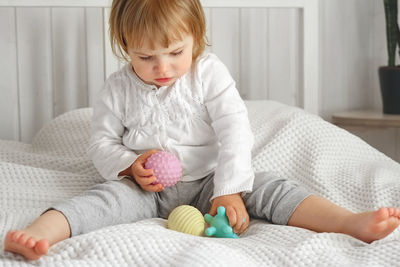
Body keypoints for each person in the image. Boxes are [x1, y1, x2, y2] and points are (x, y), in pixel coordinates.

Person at [4, 0, 400, 261]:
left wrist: (229, 189)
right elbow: (101, 143)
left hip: (212, 180)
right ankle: (40, 231)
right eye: (146, 57)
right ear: (125, 47)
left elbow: (235, 131)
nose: (163, 68)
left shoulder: (208, 73)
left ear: (196, 37)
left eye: (176, 52)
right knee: (102, 200)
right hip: (146, 189)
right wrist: (129, 165)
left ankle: (350, 222)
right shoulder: (117, 88)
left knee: (272, 188)